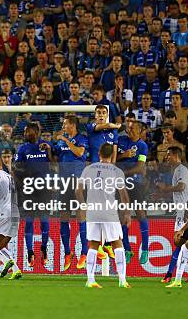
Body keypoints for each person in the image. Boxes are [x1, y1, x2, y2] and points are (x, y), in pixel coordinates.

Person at [75, 143, 131, 288]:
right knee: (117, 243)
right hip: (109, 212)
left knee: (93, 244)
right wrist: (127, 213)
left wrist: (83, 205)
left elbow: (78, 190)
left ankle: (91, 280)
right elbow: (124, 195)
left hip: (93, 212)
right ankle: (122, 280)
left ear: (99, 152)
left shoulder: (88, 169)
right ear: (112, 154)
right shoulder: (116, 171)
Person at [48, 116, 88, 271]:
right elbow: (55, 159)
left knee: (80, 215)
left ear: (72, 125)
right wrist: (49, 149)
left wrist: (65, 140)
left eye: (65, 124)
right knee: (63, 217)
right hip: (64, 182)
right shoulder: (60, 142)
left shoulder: (81, 139)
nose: (63, 126)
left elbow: (79, 153)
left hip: (78, 181)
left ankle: (84, 252)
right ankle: (67, 253)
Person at [156, 146, 188, 283]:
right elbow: (179, 191)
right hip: (181, 210)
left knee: (180, 241)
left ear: (176, 155)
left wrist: (165, 188)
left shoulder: (182, 170)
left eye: (168, 154)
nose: (166, 157)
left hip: (184, 210)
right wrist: (162, 193)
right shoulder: (177, 170)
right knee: (182, 242)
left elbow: (181, 187)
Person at [14, 122, 51, 266]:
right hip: (29, 190)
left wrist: (48, 150)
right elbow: (16, 167)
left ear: (35, 132)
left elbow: (55, 162)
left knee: (44, 221)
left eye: (27, 131)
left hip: (44, 189)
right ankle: (30, 252)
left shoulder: (45, 145)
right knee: (29, 222)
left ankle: (43, 248)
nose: (24, 134)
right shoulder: (23, 148)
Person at [117, 120, 150, 264]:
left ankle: (145, 250)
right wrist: (124, 155)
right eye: (128, 128)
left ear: (139, 130)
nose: (128, 131)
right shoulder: (120, 140)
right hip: (120, 184)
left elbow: (140, 168)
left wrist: (124, 173)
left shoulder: (142, 146)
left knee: (140, 214)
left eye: (132, 129)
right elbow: (114, 158)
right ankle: (127, 248)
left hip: (135, 184)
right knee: (122, 217)